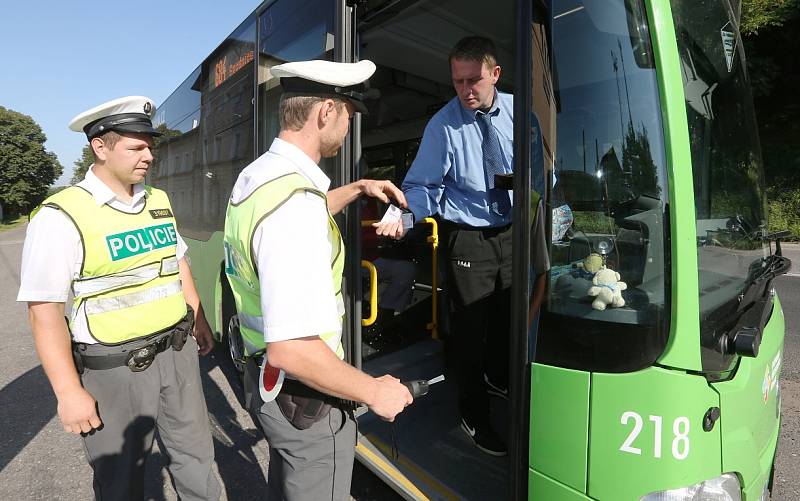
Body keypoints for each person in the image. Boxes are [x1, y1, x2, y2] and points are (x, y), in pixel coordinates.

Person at [223, 59, 413, 500]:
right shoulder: (295, 208)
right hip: (307, 402)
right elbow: (292, 349)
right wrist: (373, 390)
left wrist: (359, 187)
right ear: (326, 112)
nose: (348, 125)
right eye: (348, 113)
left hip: (267, 384)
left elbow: (293, 216)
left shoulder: (261, 176)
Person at [16, 96, 221, 500]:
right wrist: (69, 393)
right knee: (121, 479)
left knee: (197, 459)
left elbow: (177, 263)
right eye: (136, 146)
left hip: (176, 353)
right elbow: (44, 314)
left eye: (150, 145)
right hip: (116, 368)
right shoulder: (61, 216)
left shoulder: (157, 200)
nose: (149, 155)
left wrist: (198, 319)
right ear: (100, 147)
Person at [376, 36, 549, 457]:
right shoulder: (443, 125)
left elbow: (540, 173)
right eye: (458, 82)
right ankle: (473, 414)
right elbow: (422, 186)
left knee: (510, 319)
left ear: (495, 74)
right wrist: (404, 214)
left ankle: (498, 378)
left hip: (514, 230)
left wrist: (546, 207)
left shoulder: (520, 115)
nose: (466, 90)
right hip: (468, 236)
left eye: (474, 80)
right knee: (470, 331)